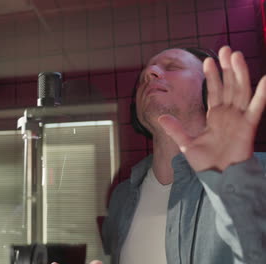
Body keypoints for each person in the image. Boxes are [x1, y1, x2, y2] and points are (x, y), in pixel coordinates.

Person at [101, 46, 266, 264]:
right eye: (143, 78)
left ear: (209, 89)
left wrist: (234, 186)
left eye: (172, 66)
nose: (150, 73)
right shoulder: (121, 197)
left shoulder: (256, 174)